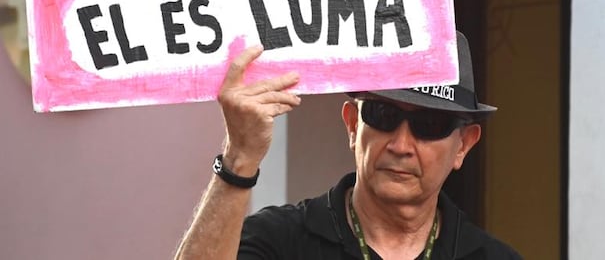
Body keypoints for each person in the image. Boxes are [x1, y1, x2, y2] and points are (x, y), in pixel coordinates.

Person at [174, 31, 522, 259]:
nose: (401, 144)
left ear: (463, 145)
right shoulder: (280, 241)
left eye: (429, 125)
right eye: (382, 114)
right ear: (353, 124)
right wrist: (240, 156)